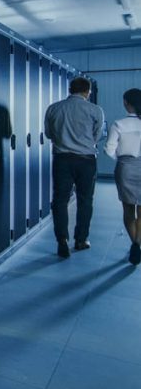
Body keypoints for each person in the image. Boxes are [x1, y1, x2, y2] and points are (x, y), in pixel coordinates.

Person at [44, 76, 104, 258]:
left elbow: (48, 133)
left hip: (62, 159)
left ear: (70, 89)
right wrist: (84, 143)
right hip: (86, 160)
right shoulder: (95, 110)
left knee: (60, 200)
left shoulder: (54, 108)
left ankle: (61, 240)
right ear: (87, 91)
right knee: (85, 200)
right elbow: (98, 135)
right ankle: (81, 240)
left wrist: (64, 140)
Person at [104, 88, 141, 265]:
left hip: (126, 168)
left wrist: (121, 159)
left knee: (128, 210)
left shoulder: (119, 124)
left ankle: (135, 244)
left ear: (126, 103)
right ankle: (138, 243)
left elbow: (109, 150)